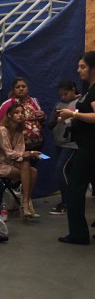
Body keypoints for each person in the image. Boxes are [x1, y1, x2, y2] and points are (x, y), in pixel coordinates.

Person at [57, 51, 95, 245]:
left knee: (75, 187)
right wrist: (70, 115)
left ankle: (79, 234)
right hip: (86, 144)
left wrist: (74, 115)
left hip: (90, 147)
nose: (79, 70)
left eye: (83, 66)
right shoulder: (88, 89)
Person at [0, 103, 41, 219]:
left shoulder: (19, 132)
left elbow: (19, 152)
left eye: (22, 113)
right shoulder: (1, 130)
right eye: (16, 112)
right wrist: (28, 154)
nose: (20, 115)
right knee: (29, 171)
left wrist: (29, 154)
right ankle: (25, 204)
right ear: (9, 115)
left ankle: (25, 202)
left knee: (33, 170)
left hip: (9, 163)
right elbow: (9, 153)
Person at [0, 76, 46, 151]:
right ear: (14, 90)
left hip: (38, 146)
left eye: (23, 86)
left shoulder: (35, 101)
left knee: (41, 156)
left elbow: (42, 121)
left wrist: (43, 116)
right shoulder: (8, 104)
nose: (21, 89)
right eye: (18, 87)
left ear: (27, 88)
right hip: (17, 148)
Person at [47, 79, 79, 216]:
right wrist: (56, 118)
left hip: (72, 143)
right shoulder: (59, 104)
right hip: (59, 142)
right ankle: (68, 202)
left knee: (61, 169)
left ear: (73, 90)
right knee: (67, 173)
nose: (63, 97)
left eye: (66, 94)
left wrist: (70, 116)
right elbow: (50, 124)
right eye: (61, 95)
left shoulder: (80, 102)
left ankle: (67, 203)